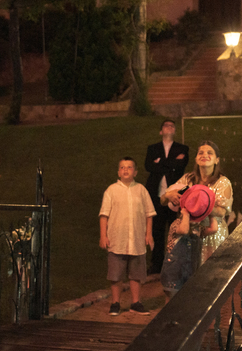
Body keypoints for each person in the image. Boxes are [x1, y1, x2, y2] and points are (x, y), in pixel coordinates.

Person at [161, 140, 232, 295]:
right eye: (201, 152)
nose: (204, 155)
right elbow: (163, 200)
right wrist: (169, 195)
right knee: (187, 279)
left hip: (212, 234)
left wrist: (198, 204)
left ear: (217, 160)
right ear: (196, 158)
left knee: (210, 283)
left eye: (209, 153)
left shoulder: (222, 182)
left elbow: (221, 212)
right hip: (188, 234)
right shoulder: (187, 179)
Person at [99, 156, 156, 315]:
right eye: (122, 167)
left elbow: (149, 214)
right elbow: (104, 215)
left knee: (136, 274)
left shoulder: (141, 190)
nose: (126, 170)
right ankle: (115, 303)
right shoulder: (111, 190)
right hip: (117, 240)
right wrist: (103, 236)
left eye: (129, 167)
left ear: (135, 172)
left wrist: (148, 234)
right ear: (118, 172)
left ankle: (135, 303)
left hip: (136, 240)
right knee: (116, 274)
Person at [144, 119, 190, 273]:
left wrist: (159, 163)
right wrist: (171, 163)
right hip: (157, 196)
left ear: (175, 131)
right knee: (157, 230)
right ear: (161, 131)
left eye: (172, 126)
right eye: (166, 125)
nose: (169, 127)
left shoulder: (182, 148)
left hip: (175, 197)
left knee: (176, 229)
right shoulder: (152, 148)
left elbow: (180, 165)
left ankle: (175, 262)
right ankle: (157, 264)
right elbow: (148, 166)